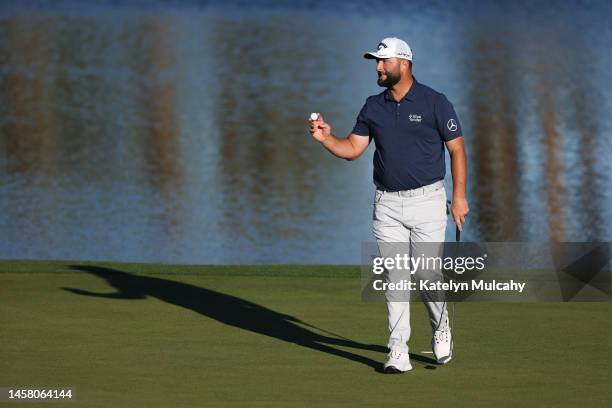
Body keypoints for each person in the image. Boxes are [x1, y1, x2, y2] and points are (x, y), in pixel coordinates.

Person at [309, 37, 469, 373]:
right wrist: (326, 139)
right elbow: (352, 149)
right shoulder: (373, 106)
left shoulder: (435, 102)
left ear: (404, 64)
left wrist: (460, 197)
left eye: (384, 61)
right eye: (376, 62)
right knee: (395, 278)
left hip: (428, 200)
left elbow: (456, 149)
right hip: (387, 205)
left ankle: (441, 328)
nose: (378, 67)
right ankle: (398, 350)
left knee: (426, 275)